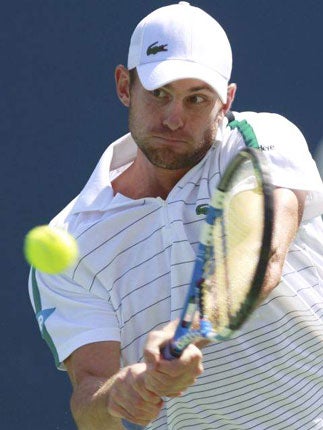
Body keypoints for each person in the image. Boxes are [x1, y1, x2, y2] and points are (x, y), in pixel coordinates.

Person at [28, 2, 323, 429]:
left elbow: (258, 256)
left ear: (226, 102)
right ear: (124, 86)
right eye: (159, 93)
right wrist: (120, 396)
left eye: (196, 99)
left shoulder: (260, 142)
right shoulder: (74, 240)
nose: (173, 117)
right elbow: (89, 394)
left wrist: (188, 329)